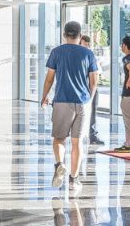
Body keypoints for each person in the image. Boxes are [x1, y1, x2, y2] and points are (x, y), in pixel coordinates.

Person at [41, 20, 98, 194]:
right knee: (77, 142)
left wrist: (44, 96)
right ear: (80, 36)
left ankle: (60, 165)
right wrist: (89, 100)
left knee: (59, 139)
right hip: (82, 102)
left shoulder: (57, 52)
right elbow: (94, 81)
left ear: (64, 35)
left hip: (62, 101)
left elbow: (50, 78)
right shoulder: (88, 54)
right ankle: (74, 180)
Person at [79, 34, 105, 146]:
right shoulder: (86, 54)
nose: (87, 46)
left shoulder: (89, 54)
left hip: (89, 87)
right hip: (85, 87)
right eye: (85, 44)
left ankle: (91, 135)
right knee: (83, 112)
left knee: (92, 112)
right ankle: (86, 135)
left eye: (88, 45)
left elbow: (97, 72)